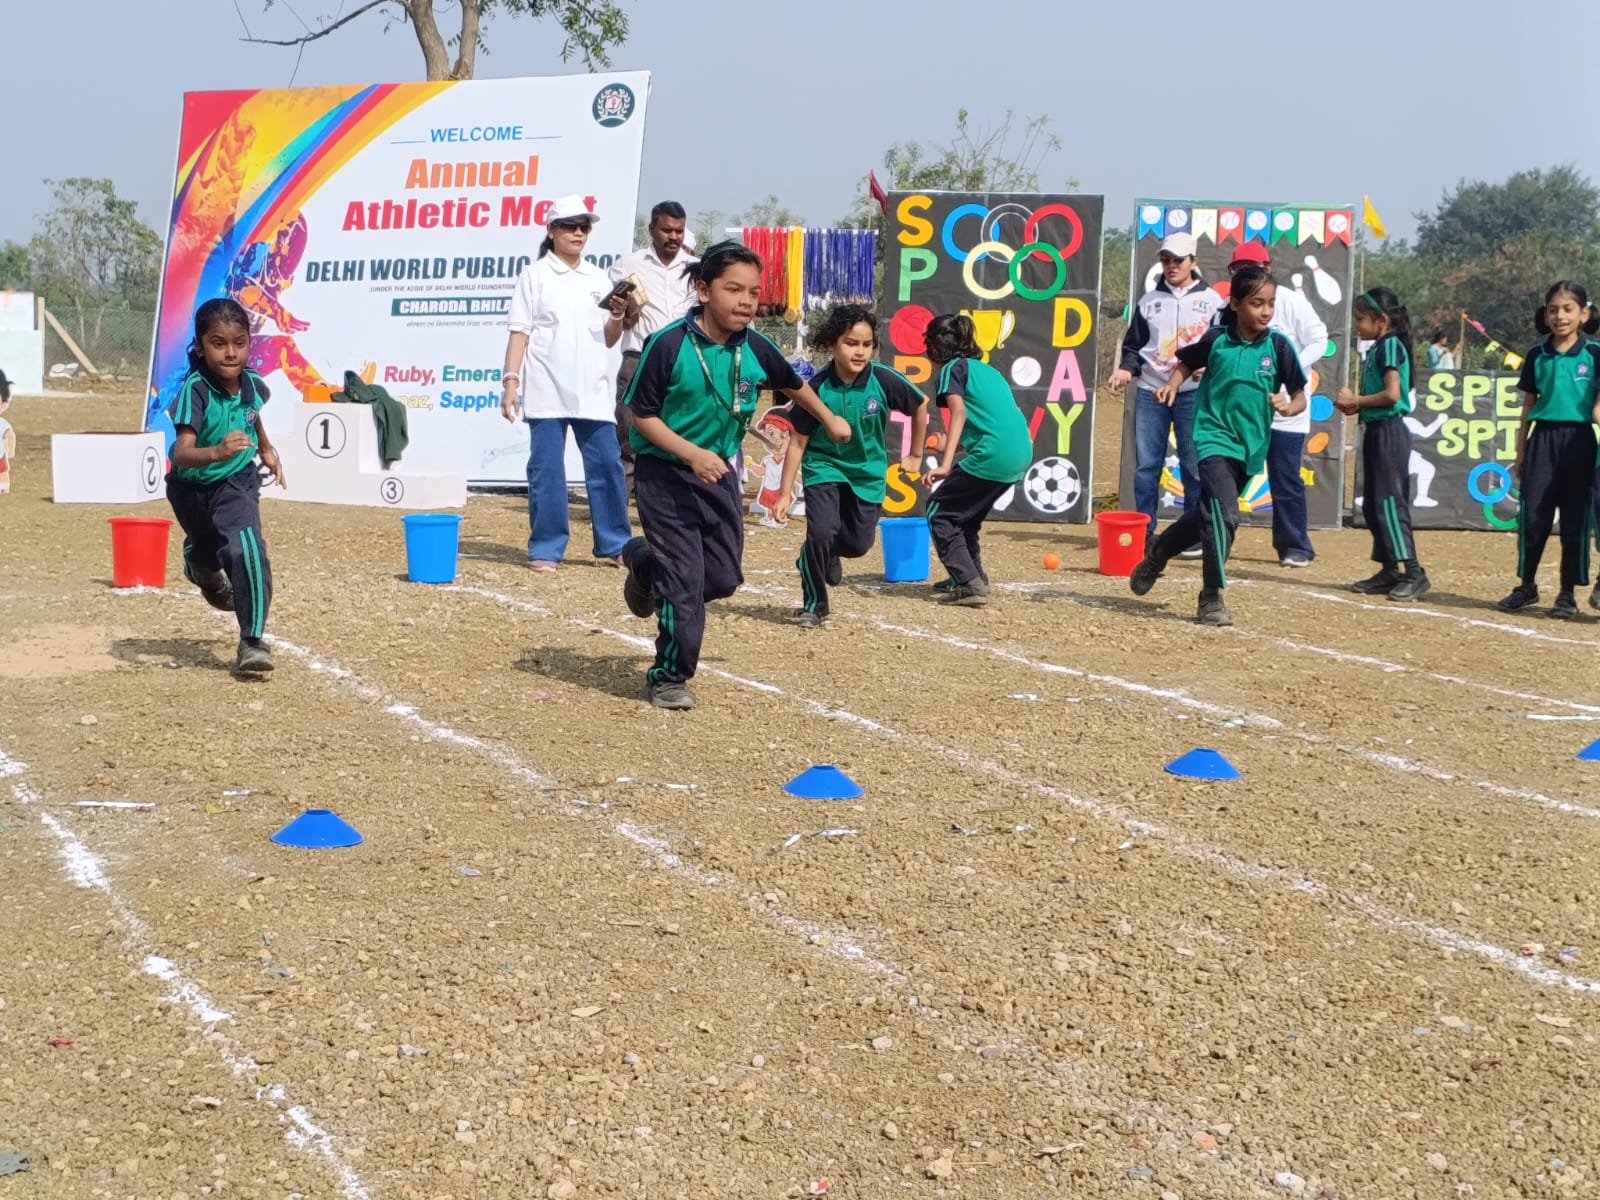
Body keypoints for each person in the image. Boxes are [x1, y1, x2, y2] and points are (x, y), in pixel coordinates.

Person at [617, 241, 853, 710]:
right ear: (704, 290)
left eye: (753, 291)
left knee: (722, 579)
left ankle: (644, 566)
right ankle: (668, 676)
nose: (746, 300)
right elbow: (640, 414)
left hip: (718, 475)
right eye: (733, 289)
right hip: (665, 474)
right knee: (685, 583)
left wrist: (827, 418)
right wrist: (690, 453)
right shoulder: (669, 345)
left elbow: (792, 382)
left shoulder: (757, 346)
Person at [1128, 267, 1308, 627]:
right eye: (1257, 303)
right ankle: (1211, 596)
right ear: (1237, 304)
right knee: (1224, 515)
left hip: (1250, 446)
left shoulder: (1278, 347)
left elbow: (1299, 394)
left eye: (1270, 304)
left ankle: (1158, 552)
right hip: (1212, 437)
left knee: (1204, 516)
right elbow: (1187, 361)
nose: (1265, 311)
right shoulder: (1216, 340)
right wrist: (1173, 385)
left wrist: (1290, 406)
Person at [771, 304, 929, 627]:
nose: (860, 352)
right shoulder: (815, 389)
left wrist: (916, 453)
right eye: (851, 343)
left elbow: (921, 405)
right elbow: (798, 442)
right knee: (821, 531)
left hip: (867, 472)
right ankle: (814, 605)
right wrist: (784, 493)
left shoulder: (883, 380)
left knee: (858, 545)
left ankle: (825, 553)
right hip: (824, 467)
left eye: (866, 344)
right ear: (833, 344)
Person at [500, 195, 633, 571]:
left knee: (607, 466)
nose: (578, 232)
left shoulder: (598, 277)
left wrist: (618, 316)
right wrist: (511, 382)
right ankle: (546, 546)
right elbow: (519, 333)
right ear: (551, 230)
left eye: (584, 226)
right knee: (547, 471)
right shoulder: (535, 276)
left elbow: (608, 338)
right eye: (569, 226)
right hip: (545, 388)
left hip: (592, 389)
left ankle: (615, 543)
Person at [165, 298, 285, 673]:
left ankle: (252, 642)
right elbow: (182, 453)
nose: (231, 353)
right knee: (208, 552)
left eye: (240, 342)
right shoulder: (194, 391)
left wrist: (266, 449)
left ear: (250, 343)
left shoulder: (253, 386)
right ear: (200, 346)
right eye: (218, 343)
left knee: (245, 547)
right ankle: (198, 565)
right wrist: (216, 450)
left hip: (237, 480)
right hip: (192, 491)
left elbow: (253, 416)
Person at [1109, 232, 1222, 553]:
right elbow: (1134, 346)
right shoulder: (1148, 301)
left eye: (1178, 260)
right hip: (1151, 391)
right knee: (1147, 465)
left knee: (1192, 463)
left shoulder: (1213, 301)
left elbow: (1220, 345)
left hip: (1193, 393)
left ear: (1193, 262)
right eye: (1166, 260)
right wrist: (1124, 369)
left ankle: (1193, 534)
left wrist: (1209, 365)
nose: (1171, 266)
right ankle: (1144, 531)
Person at [1496, 281, 1600, 619]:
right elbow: (1528, 405)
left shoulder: (1595, 354)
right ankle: (1526, 585)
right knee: (1533, 517)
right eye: (1553, 309)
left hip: (1580, 441)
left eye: (1568, 309)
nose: (1560, 316)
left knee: (1574, 521)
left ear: (1583, 314)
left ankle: (1567, 594)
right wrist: (1521, 450)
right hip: (1542, 441)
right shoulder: (1536, 355)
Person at [1226, 242, 1327, 567]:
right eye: (1240, 269)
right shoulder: (1229, 307)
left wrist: (1290, 366)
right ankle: (1211, 537)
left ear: (1268, 269)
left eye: (1254, 267)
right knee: (1226, 477)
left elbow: (1319, 338)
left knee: (1285, 477)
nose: (1248, 273)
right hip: (1243, 411)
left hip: (1286, 411)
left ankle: (1295, 545)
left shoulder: (1292, 301)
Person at [922, 313, 1033, 607]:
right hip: (1018, 453)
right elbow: (988, 419)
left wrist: (946, 464)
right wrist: (952, 448)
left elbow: (959, 413)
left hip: (993, 453)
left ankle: (970, 585)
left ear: (934, 348)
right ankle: (971, 576)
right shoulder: (986, 371)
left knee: (940, 511)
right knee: (964, 518)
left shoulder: (951, 369)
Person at [1336, 287, 1429, 601]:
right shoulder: (1379, 347)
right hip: (1376, 429)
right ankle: (1389, 569)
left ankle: (1414, 571)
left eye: (1361, 319)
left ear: (1382, 320)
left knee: (1390, 502)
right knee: (1376, 504)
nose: (1357, 325)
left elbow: (1392, 395)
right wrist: (1358, 407)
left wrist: (1357, 400)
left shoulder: (1390, 346)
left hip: (1389, 431)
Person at [610, 202, 698, 491]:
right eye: (667, 230)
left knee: (681, 424)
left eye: (679, 231)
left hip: (684, 357)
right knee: (629, 425)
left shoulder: (695, 270)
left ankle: (674, 492)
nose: (673, 237)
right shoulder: (628, 265)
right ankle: (625, 499)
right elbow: (618, 313)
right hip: (639, 356)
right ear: (651, 230)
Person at [0, 369, 13, 497]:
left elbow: (9, 434)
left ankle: (4, 487)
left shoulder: (2, 423)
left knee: (2, 471)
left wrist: (11, 449)